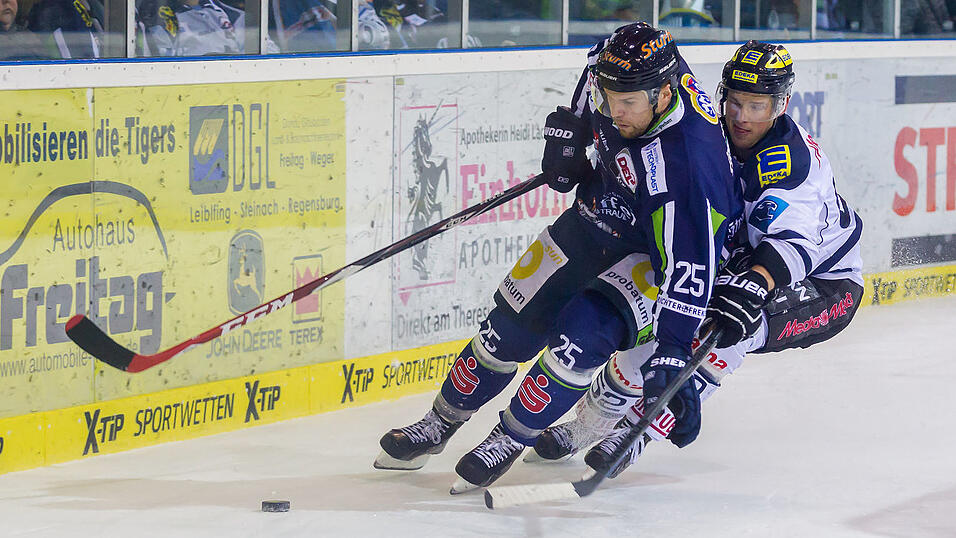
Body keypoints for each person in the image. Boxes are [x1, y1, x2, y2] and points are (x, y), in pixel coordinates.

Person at [374, 22, 740, 492]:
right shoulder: (614, 72)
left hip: (649, 255)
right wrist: (567, 140)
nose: (614, 110)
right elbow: (588, 93)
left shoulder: (691, 163)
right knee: (506, 327)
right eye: (610, 99)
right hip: (592, 218)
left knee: (578, 341)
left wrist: (672, 350)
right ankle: (438, 423)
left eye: (627, 104)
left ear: (664, 94)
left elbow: (689, 268)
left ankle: (507, 438)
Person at [532, 41, 865, 479]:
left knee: (727, 330)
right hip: (747, 261)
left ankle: (639, 432)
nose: (743, 117)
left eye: (758, 107)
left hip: (824, 283)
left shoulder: (794, 164)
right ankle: (588, 424)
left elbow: (793, 244)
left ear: (781, 105)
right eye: (736, 103)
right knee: (668, 321)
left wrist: (756, 282)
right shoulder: (709, 131)